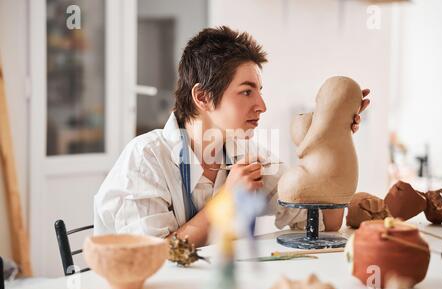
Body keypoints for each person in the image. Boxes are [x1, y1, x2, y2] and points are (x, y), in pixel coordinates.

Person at [93, 26, 370, 247]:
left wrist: (336, 136)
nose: (262, 105)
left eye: (260, 91)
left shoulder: (246, 156)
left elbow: (324, 221)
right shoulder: (145, 159)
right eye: (247, 91)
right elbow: (153, 260)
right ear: (202, 97)